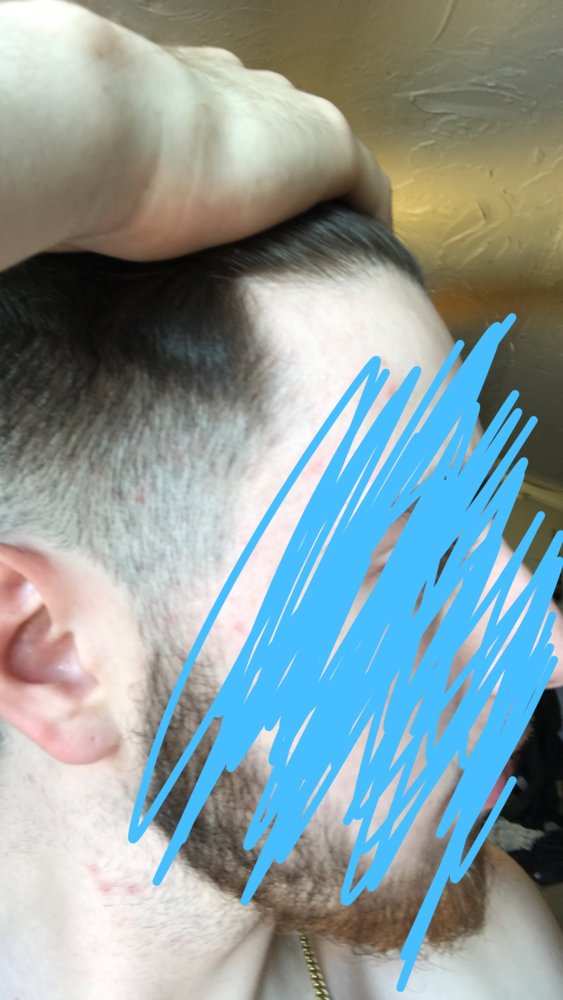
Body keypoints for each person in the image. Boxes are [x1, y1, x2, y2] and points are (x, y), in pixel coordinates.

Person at [0, 4, 562, 1000]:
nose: (545, 648)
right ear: (49, 653)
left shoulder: (482, 961)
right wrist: (145, 125)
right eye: (410, 566)